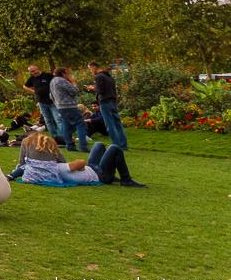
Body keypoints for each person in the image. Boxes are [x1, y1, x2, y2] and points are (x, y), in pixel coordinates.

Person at [13, 132, 145, 187]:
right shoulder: (56, 168)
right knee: (114, 148)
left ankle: (113, 173)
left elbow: (23, 166)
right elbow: (81, 163)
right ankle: (126, 179)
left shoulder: (46, 168)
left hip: (92, 170)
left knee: (99, 145)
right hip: (99, 175)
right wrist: (78, 165)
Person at [87, 61, 128, 150]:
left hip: (105, 102)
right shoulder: (109, 77)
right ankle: (124, 146)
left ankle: (116, 146)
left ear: (94, 67)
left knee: (110, 125)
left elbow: (100, 90)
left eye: (90, 69)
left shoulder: (99, 76)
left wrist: (93, 88)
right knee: (118, 125)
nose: (90, 71)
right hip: (113, 101)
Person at [50, 67, 88, 151]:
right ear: (63, 73)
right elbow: (75, 91)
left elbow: (51, 96)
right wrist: (73, 83)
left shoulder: (52, 81)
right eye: (67, 73)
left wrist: (57, 104)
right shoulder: (62, 80)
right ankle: (83, 146)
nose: (68, 75)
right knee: (81, 124)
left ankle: (70, 146)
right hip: (69, 106)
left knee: (66, 126)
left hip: (60, 107)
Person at [24, 64, 61, 138]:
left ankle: (63, 136)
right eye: (31, 72)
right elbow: (24, 86)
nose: (33, 72)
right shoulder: (32, 78)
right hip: (42, 102)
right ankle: (55, 137)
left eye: (34, 70)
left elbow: (57, 83)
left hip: (52, 101)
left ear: (38, 69)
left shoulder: (47, 75)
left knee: (58, 119)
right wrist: (33, 91)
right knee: (48, 120)